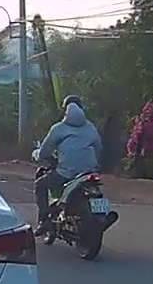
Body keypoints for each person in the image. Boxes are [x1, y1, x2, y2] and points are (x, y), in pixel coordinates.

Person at [34, 95, 102, 234]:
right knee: (98, 193)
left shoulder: (59, 128)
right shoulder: (91, 127)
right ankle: (102, 213)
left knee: (40, 184)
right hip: (89, 172)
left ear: (65, 110)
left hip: (67, 173)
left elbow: (44, 151)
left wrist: (37, 154)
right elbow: (99, 148)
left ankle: (44, 220)